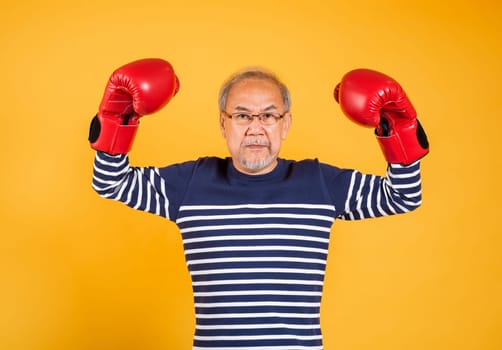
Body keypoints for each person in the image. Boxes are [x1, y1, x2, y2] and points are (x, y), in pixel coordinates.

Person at [89, 58, 429, 350]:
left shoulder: (319, 182)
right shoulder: (191, 183)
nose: (255, 128)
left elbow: (402, 196)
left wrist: (399, 129)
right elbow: (110, 182)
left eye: (268, 116)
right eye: (241, 116)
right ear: (223, 124)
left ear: (286, 124)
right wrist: (117, 118)